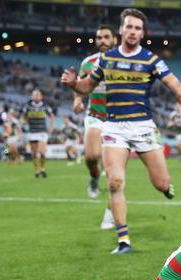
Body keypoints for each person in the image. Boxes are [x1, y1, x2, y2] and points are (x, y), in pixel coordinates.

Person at [61, 8, 181, 254]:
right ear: (121, 30)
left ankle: (166, 188)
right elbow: (87, 86)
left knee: (161, 183)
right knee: (114, 182)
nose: (133, 31)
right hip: (113, 127)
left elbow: (178, 89)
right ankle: (123, 240)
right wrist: (73, 83)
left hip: (143, 127)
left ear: (143, 33)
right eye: (129, 27)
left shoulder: (151, 60)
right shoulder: (107, 59)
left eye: (138, 28)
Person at [73, 24, 118, 208]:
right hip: (95, 115)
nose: (102, 41)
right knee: (91, 157)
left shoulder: (125, 63)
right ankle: (94, 176)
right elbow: (80, 85)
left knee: (114, 170)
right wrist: (77, 100)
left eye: (106, 37)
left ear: (115, 39)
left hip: (118, 120)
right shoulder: (88, 63)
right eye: (99, 38)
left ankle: (111, 213)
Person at [21, 89, 55, 178]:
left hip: (42, 131)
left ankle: (42, 168)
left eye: (38, 95)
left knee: (42, 152)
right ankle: (37, 170)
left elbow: (52, 117)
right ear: (32, 96)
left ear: (41, 96)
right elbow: (23, 117)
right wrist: (23, 122)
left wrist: (51, 128)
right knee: (34, 153)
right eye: (34, 95)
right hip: (32, 131)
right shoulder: (27, 107)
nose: (36, 96)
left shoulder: (45, 106)